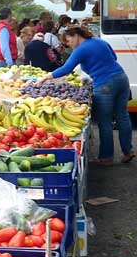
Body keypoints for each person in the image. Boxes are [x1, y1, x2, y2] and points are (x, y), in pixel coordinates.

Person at [38, 25, 134, 165]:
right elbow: (114, 56)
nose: (69, 45)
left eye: (69, 41)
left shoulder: (81, 49)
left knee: (105, 122)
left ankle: (106, 158)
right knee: (123, 116)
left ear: (76, 35)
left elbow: (67, 68)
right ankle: (128, 151)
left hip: (104, 83)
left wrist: (46, 77)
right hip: (121, 78)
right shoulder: (100, 41)